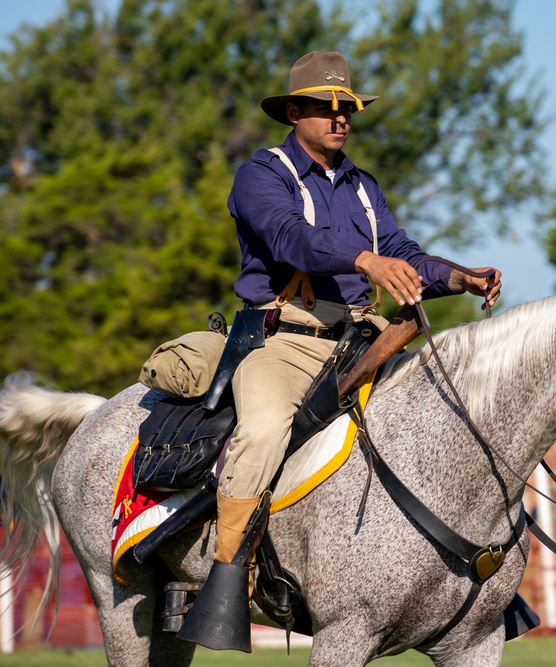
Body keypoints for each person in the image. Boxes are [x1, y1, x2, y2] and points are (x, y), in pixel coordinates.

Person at [181, 51, 501, 646]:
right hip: (288, 337)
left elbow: (403, 251)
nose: (341, 118)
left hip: (364, 338)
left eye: (348, 108)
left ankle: (484, 590)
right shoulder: (261, 173)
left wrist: (458, 277)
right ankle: (227, 576)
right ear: (295, 111)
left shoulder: (361, 185)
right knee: (262, 429)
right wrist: (363, 259)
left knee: (453, 414)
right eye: (327, 108)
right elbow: (289, 238)